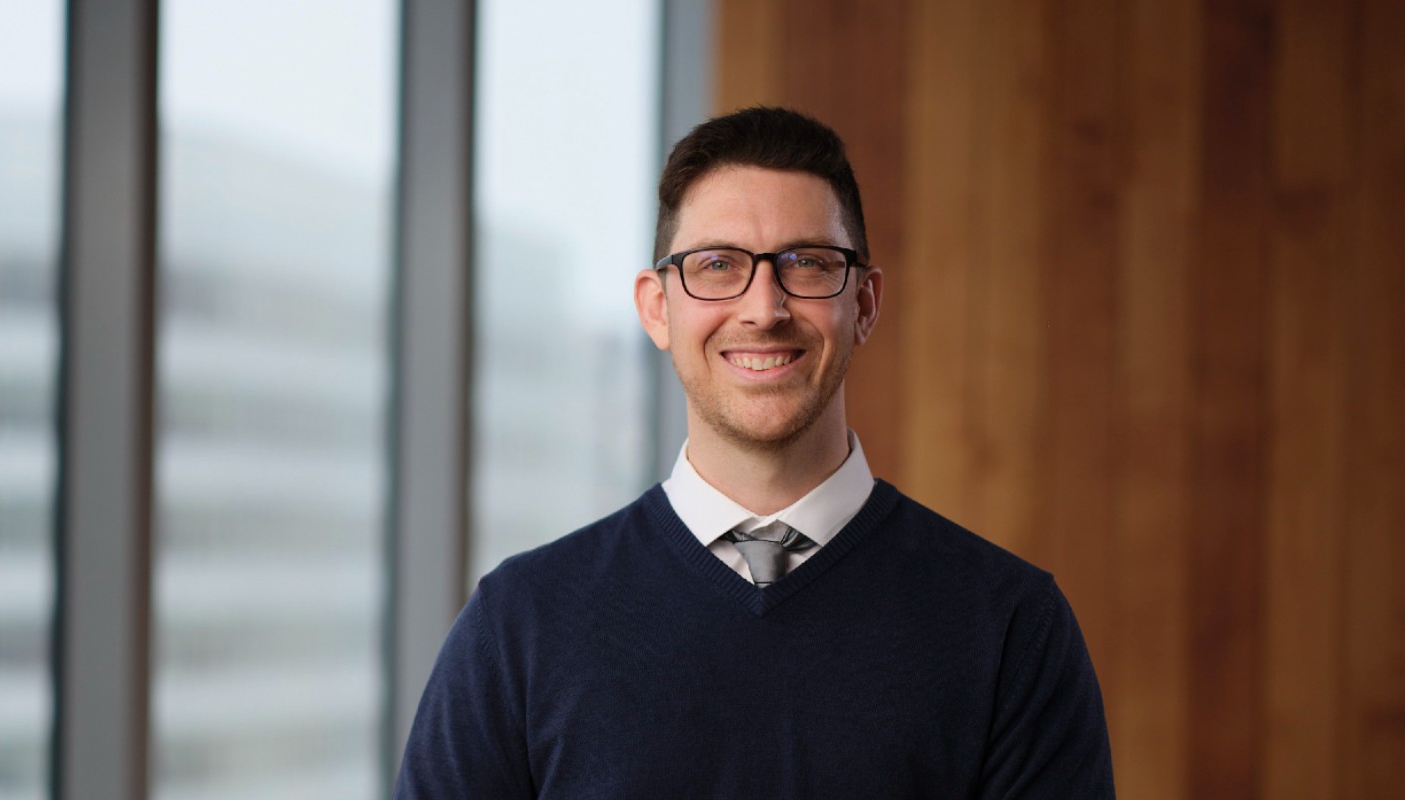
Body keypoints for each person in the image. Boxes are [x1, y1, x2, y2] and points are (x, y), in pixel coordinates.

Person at [394, 107, 1114, 798]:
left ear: (863, 304)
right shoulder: (519, 626)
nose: (764, 309)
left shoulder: (1012, 628)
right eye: (716, 265)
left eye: (806, 263)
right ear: (656, 307)